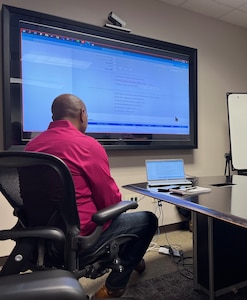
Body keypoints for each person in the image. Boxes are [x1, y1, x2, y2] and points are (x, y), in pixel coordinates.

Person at [25, 94, 158, 298]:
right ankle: (114, 287)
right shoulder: (87, 145)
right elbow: (110, 201)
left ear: (54, 116)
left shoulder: (31, 146)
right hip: (82, 238)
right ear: (82, 114)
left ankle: (131, 262)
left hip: (43, 238)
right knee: (148, 220)